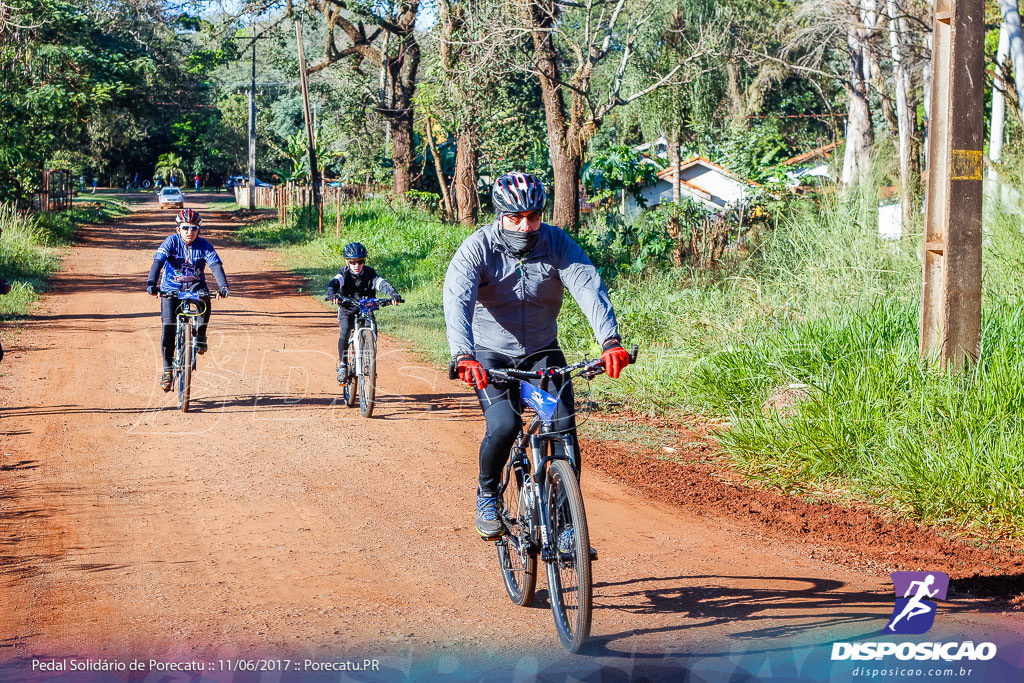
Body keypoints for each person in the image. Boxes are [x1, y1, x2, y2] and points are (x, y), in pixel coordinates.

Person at [443, 171, 632, 543]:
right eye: (515, 218)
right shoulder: (477, 249)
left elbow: (588, 287)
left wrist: (610, 341)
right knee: (504, 426)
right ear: (499, 215)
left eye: (533, 216)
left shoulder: (557, 243)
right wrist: (464, 355)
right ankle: (487, 495)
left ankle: (565, 522)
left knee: (562, 430)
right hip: (491, 358)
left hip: (543, 356)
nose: (526, 226)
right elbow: (457, 300)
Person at [146, 208, 229, 391]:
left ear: (199, 229)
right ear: (178, 229)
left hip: (195, 287)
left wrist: (223, 286)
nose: (189, 232)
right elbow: (158, 262)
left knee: (206, 299)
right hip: (170, 288)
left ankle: (200, 335)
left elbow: (215, 265)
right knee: (168, 329)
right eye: (185, 228)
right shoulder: (170, 242)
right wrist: (152, 283)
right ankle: (167, 372)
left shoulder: (205, 245)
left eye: (193, 228)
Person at [325, 242, 402, 383]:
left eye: (360, 261)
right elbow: (334, 284)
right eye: (352, 262)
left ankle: (368, 357)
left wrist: (394, 294)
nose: (356, 265)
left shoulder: (369, 273)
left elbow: (381, 283)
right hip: (347, 307)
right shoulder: (343, 274)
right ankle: (343, 365)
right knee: (345, 330)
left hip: (366, 308)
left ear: (364, 261)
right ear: (347, 262)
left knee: (372, 331)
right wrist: (332, 294)